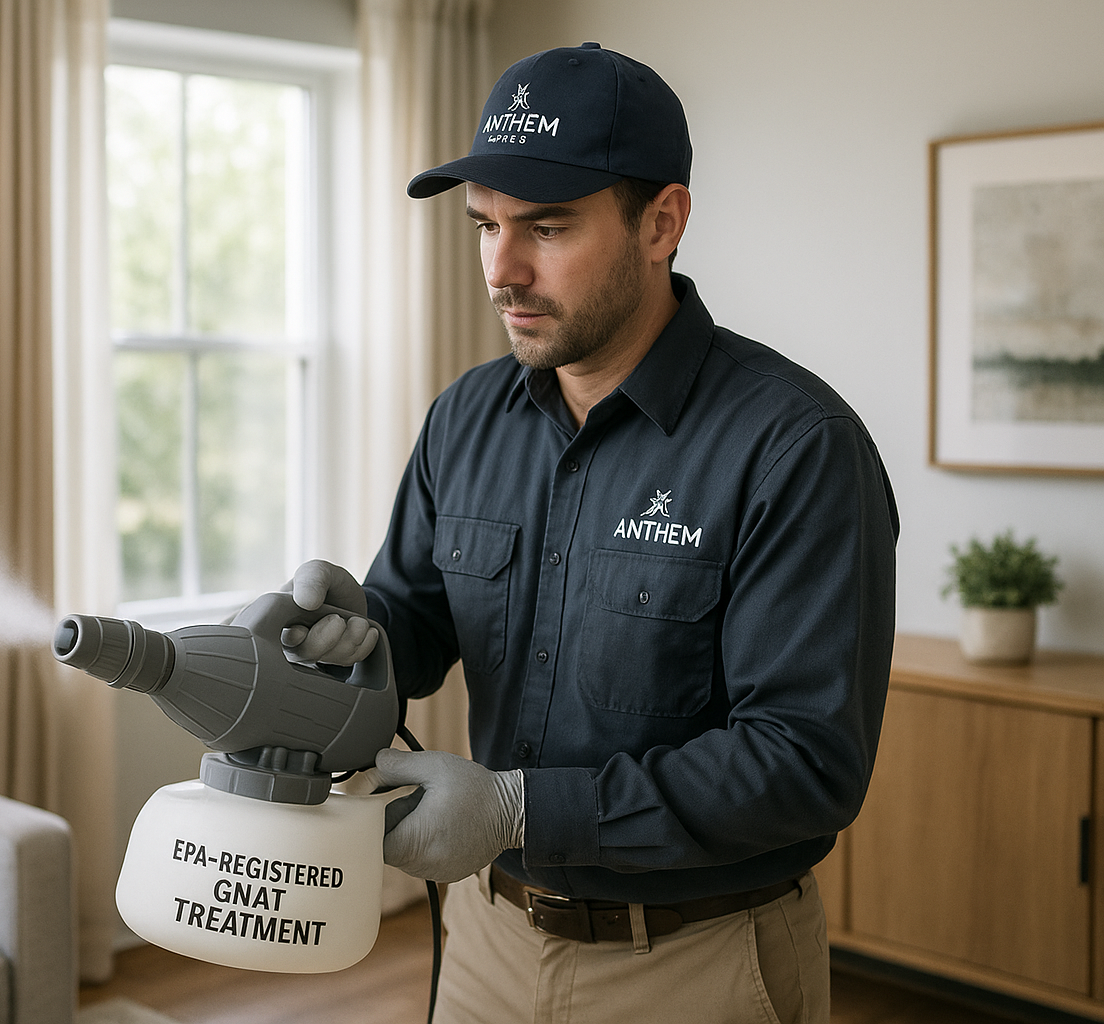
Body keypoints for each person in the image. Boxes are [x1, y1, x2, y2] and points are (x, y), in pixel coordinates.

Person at [276, 43, 898, 1024]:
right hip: (484, 941)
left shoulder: (796, 446)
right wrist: (343, 642)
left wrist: (522, 807)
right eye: (484, 225)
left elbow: (802, 763)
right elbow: (412, 622)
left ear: (663, 221)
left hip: (698, 965)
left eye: (546, 227)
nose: (502, 268)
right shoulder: (464, 417)